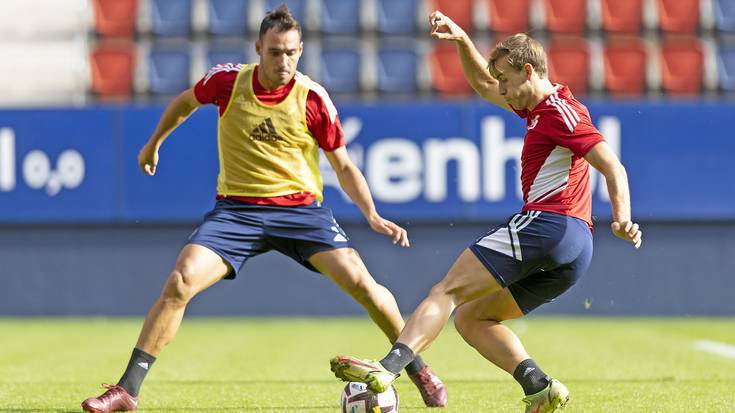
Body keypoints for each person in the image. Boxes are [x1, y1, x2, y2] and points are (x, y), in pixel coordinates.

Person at [81, 5, 447, 412]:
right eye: (275, 52)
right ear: (258, 48)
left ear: (301, 49)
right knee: (180, 281)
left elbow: (343, 165)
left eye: (291, 52)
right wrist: (154, 143)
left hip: (301, 213)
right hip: (237, 211)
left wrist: (372, 215)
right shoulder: (226, 82)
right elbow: (185, 102)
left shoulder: (313, 98)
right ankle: (127, 391)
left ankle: (419, 372)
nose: (284, 61)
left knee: (364, 285)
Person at [329, 10, 643, 413]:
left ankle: (387, 369)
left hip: (549, 225)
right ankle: (540, 387)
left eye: (508, 82)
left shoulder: (560, 112)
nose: (503, 91)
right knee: (471, 318)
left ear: (528, 71)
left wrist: (622, 216)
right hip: (575, 250)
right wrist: (462, 39)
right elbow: (482, 84)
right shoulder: (535, 108)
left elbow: (612, 165)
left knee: (445, 291)